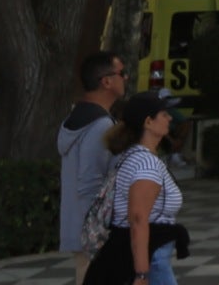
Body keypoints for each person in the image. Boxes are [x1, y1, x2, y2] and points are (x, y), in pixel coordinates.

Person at [85, 94, 191, 285]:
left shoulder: (134, 156)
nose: (170, 118)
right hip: (151, 258)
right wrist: (142, 274)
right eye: (164, 114)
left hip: (144, 254)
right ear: (148, 122)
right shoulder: (146, 164)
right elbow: (138, 220)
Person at [59, 51, 128, 284]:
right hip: (94, 236)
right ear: (106, 81)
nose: (126, 78)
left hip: (83, 230)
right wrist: (102, 233)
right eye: (121, 73)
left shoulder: (75, 119)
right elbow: (91, 183)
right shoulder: (100, 125)